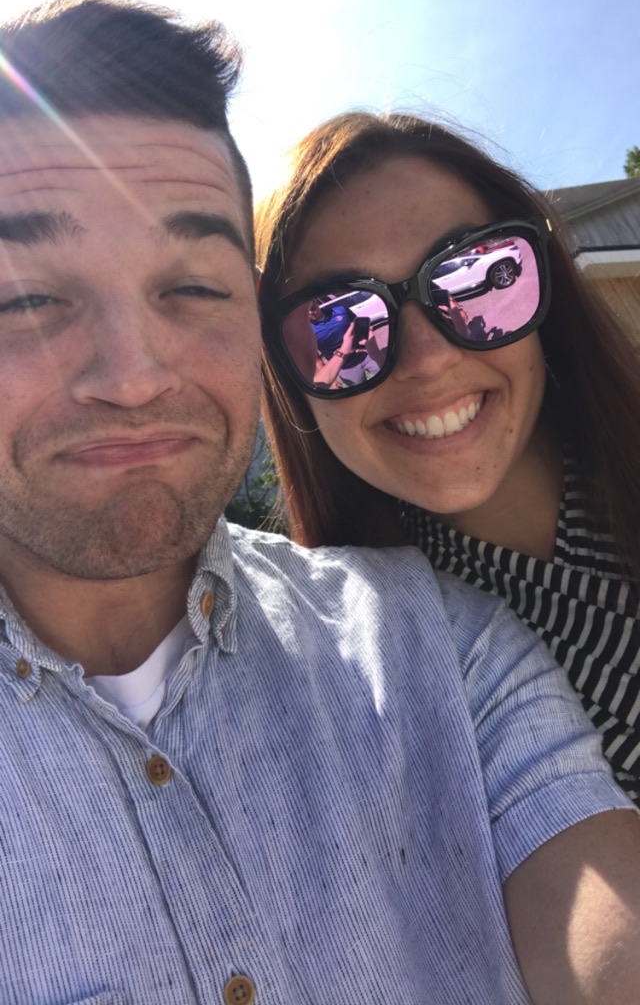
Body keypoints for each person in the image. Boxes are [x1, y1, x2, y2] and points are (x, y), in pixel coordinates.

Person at [1, 1, 639, 1005]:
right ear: (289, 370)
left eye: (192, 288)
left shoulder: (440, 645)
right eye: (26, 297)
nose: (132, 377)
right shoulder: (438, 600)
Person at [257, 109, 640, 806]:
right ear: (288, 378)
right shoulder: (367, 671)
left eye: (476, 278)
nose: (428, 359)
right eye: (337, 323)